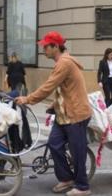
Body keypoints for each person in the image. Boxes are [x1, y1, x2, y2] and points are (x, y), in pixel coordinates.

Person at [16, 31, 92, 196]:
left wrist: (27, 99)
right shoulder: (61, 62)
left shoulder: (64, 63)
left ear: (55, 46)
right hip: (64, 114)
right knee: (54, 144)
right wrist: (53, 105)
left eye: (46, 46)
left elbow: (48, 87)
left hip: (76, 114)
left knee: (77, 151)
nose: (44, 50)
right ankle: (66, 178)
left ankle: (82, 186)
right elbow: (63, 89)